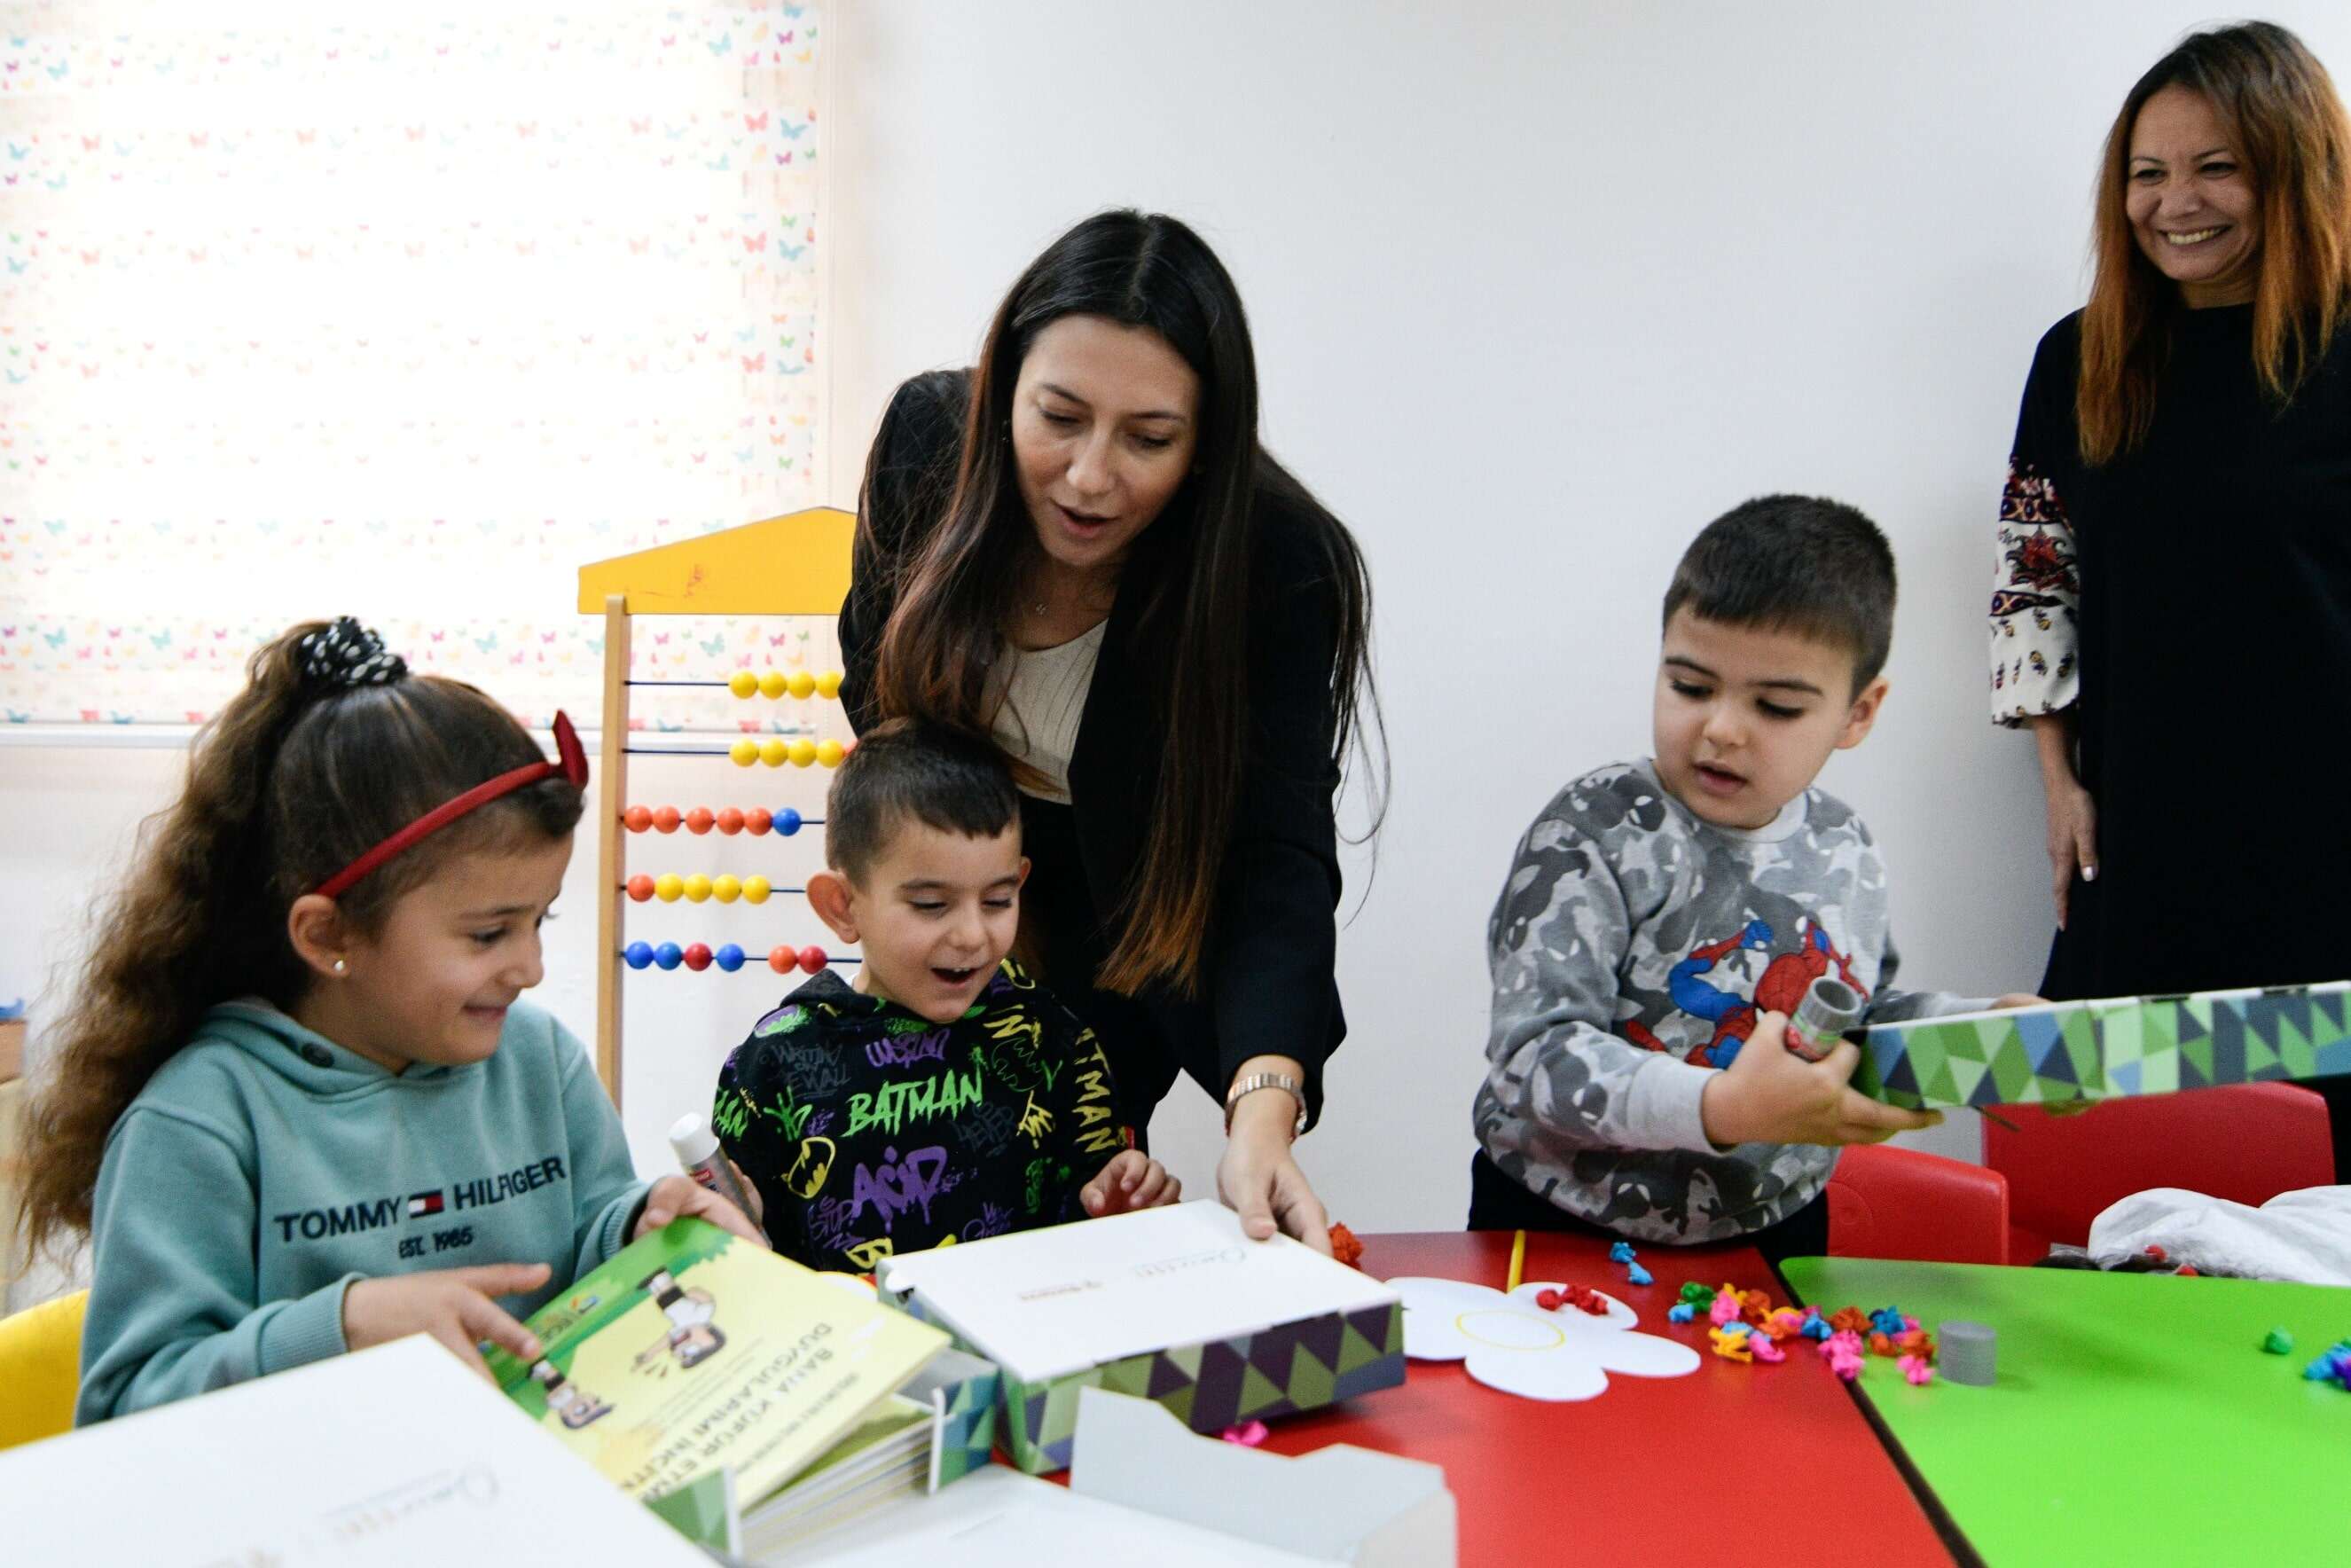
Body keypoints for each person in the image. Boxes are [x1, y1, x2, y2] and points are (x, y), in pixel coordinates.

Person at [15, 618, 758, 1424]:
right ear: (329, 935)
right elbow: (127, 1408)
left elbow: (584, 1254)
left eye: (537, 922)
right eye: (486, 934)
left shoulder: (538, 1061)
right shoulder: (198, 1122)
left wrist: (638, 1228)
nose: (530, 969)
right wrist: (343, 1326)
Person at [840, 210, 1382, 1251]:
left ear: (1206, 443)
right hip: (964, 873)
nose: (1090, 477)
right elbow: (880, 693)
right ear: (1003, 390)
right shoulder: (927, 445)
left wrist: (1260, 1109)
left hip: (1132, 924)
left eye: (1148, 439)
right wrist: (936, 908)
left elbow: (1273, 856)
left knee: (1054, 1217)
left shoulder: (1276, 559)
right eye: (1057, 417)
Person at [1474, 498, 2038, 1259]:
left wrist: (1983, 1035)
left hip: (1775, 1226)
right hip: (1559, 1218)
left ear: (1857, 713)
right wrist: (1721, 1106)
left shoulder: (1844, 847)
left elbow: (1860, 1019)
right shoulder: (1591, 831)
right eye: (1690, 687)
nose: (1721, 729)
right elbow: (1533, 1057)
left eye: (1774, 706)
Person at [1989, 21, 2351, 1173]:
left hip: (2325, 844)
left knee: (2312, 1192)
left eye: (2213, 167)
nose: (2171, 202)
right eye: (2145, 173)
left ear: (2289, 169)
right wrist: (2057, 782)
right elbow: (2029, 587)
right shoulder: (2078, 357)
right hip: (2137, 831)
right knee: (2117, 1169)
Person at [714, 721, 1179, 1273]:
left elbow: (1097, 1212)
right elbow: (740, 1255)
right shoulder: (775, 1063)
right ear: (842, 906)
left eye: (998, 900)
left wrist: (1121, 1204)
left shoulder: (1052, 1039)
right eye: (932, 905)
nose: (972, 936)